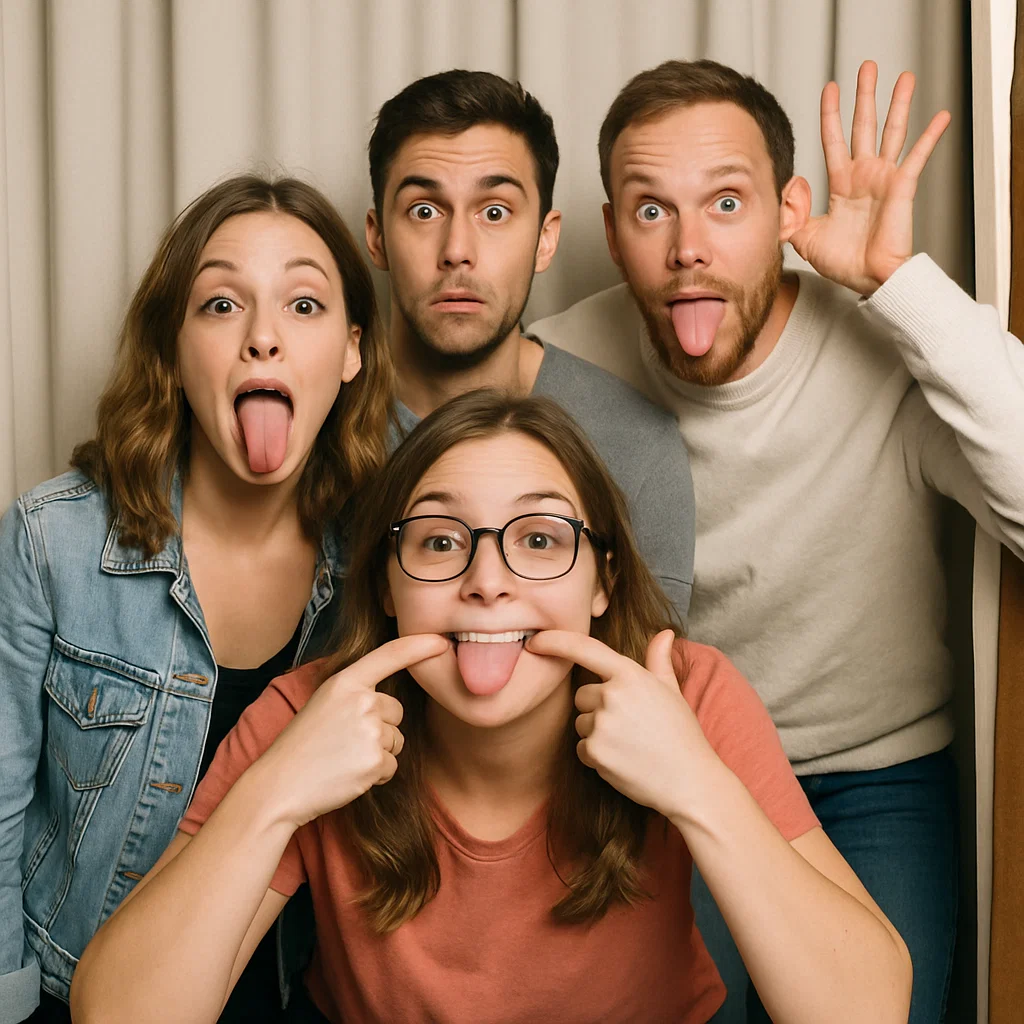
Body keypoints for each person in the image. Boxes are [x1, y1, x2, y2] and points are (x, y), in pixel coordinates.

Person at [69, 390, 912, 1024]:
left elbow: (868, 1008)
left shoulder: (687, 695)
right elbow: (114, 1013)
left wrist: (698, 787)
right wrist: (275, 795)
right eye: (440, 541)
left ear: (603, 582)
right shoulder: (311, 717)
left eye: (539, 539)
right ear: (388, 586)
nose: (487, 580)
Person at [526, 58, 1024, 1023]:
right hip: (672, 769)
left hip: (875, 778)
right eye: (652, 210)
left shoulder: (888, 349)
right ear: (612, 235)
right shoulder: (566, 368)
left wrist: (900, 285)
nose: (689, 250)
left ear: (789, 211)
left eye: (726, 203)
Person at [0, 174, 394, 1024]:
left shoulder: (391, 558)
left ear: (352, 351)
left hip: (299, 997)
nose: (263, 339)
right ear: (173, 352)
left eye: (304, 305)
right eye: (221, 305)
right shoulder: (52, 540)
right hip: (84, 993)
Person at [364, 69, 695, 624]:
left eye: (494, 212)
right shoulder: (313, 425)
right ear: (377, 237)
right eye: (425, 210)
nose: (457, 250)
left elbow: (649, 668)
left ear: (545, 239)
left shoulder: (636, 449)